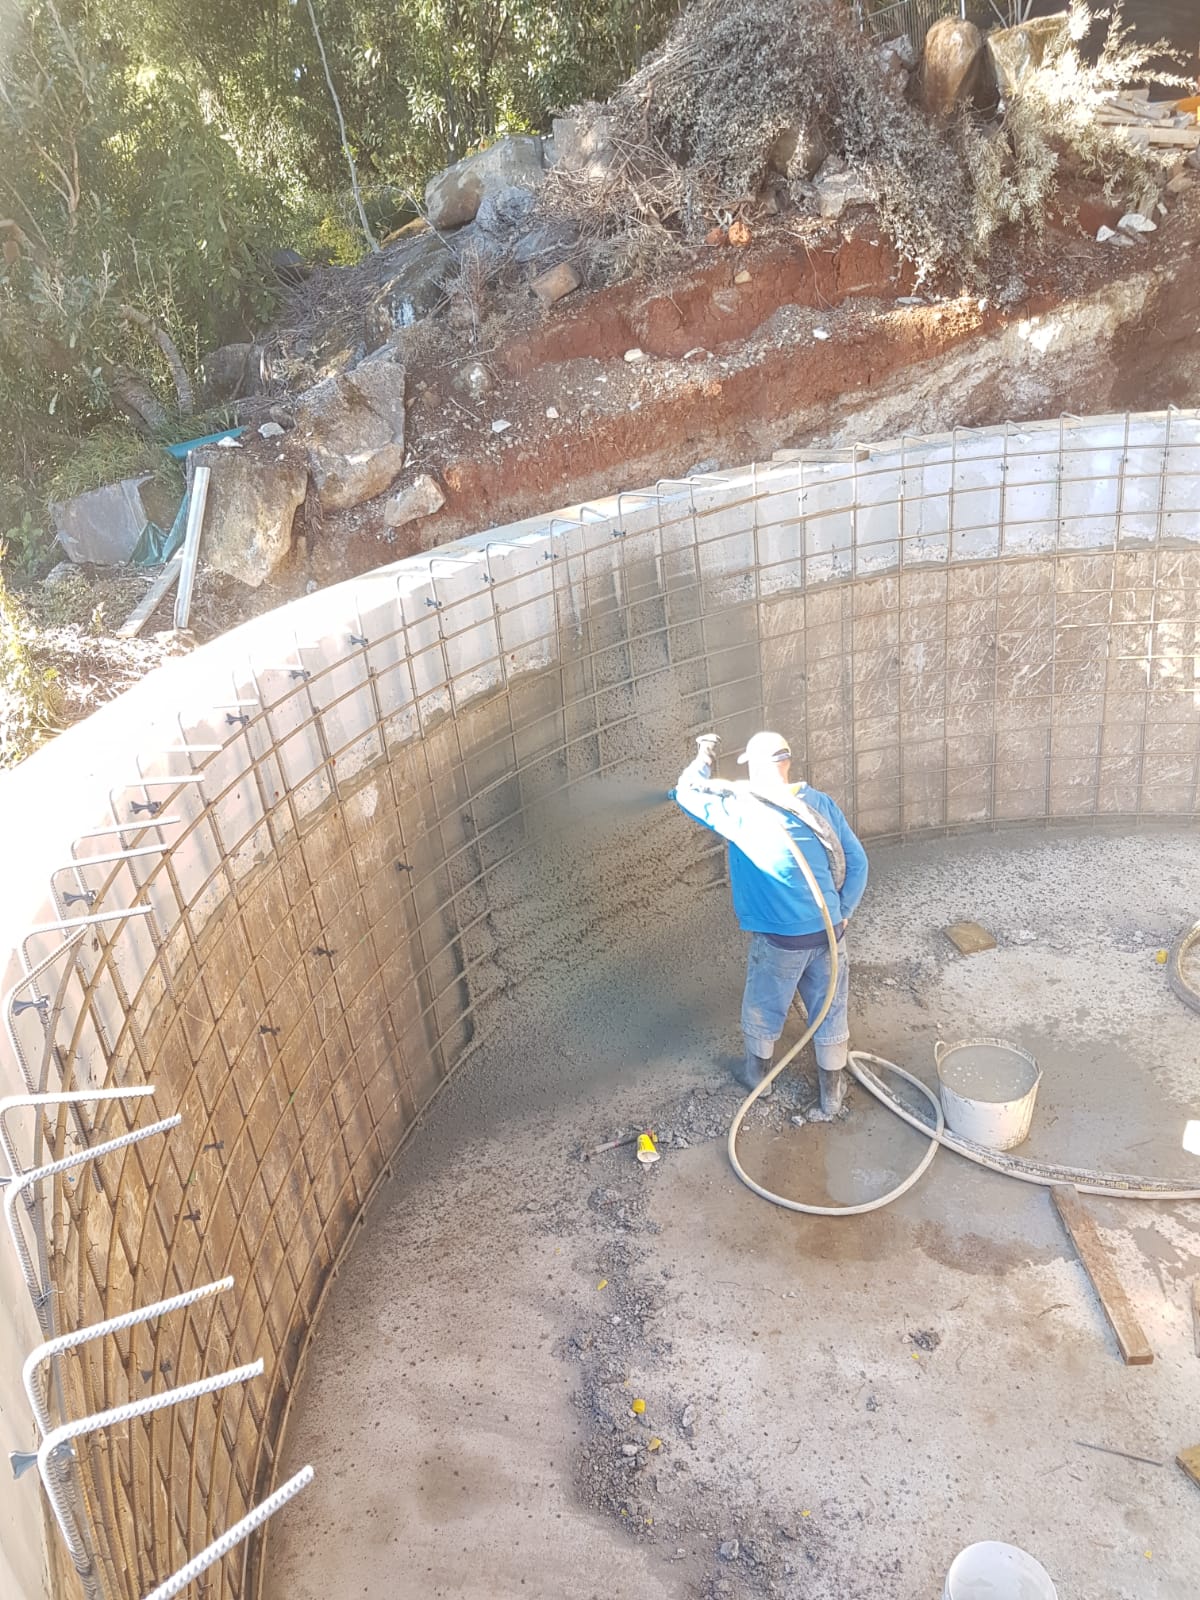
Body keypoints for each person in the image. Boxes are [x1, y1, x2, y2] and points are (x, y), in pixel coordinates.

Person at [672, 730, 869, 1119]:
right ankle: (832, 1095)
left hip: (781, 941)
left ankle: (757, 1080)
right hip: (831, 932)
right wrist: (842, 912)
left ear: (758, 768)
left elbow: (685, 791)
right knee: (830, 1007)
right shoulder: (820, 804)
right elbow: (858, 863)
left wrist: (704, 758)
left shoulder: (742, 810)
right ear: (787, 763)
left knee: (764, 1007)